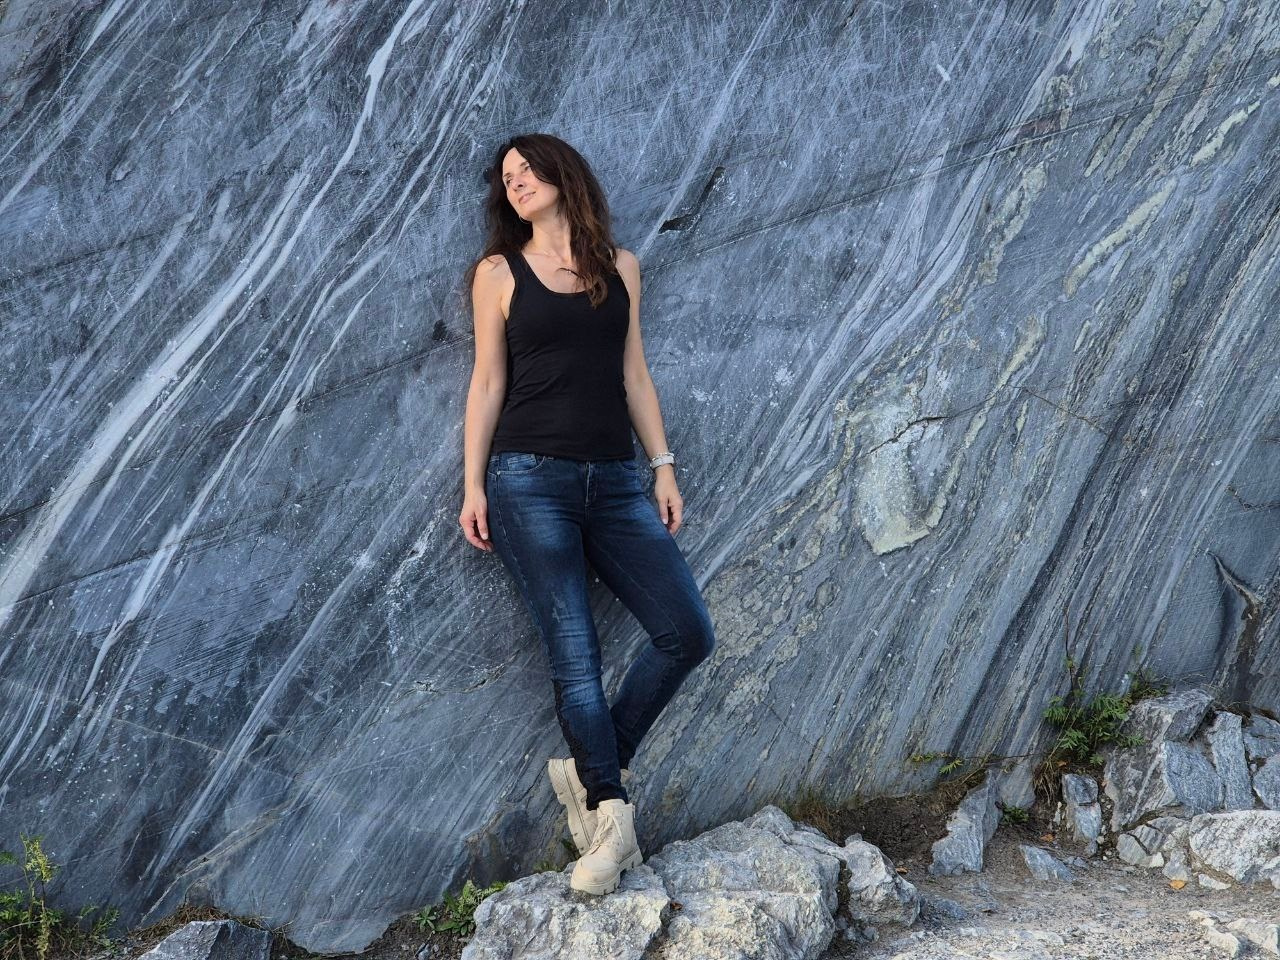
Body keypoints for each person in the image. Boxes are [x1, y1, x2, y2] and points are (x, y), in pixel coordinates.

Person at [458, 133, 717, 896]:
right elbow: (486, 382)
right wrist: (473, 486)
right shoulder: (497, 273)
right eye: (506, 178)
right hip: (527, 480)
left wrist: (662, 466)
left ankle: (594, 766)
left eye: (527, 170)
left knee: (687, 631)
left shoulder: (620, 267)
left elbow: (633, 373)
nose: (516, 183)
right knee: (575, 657)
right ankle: (611, 819)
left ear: (562, 174)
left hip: (615, 482)